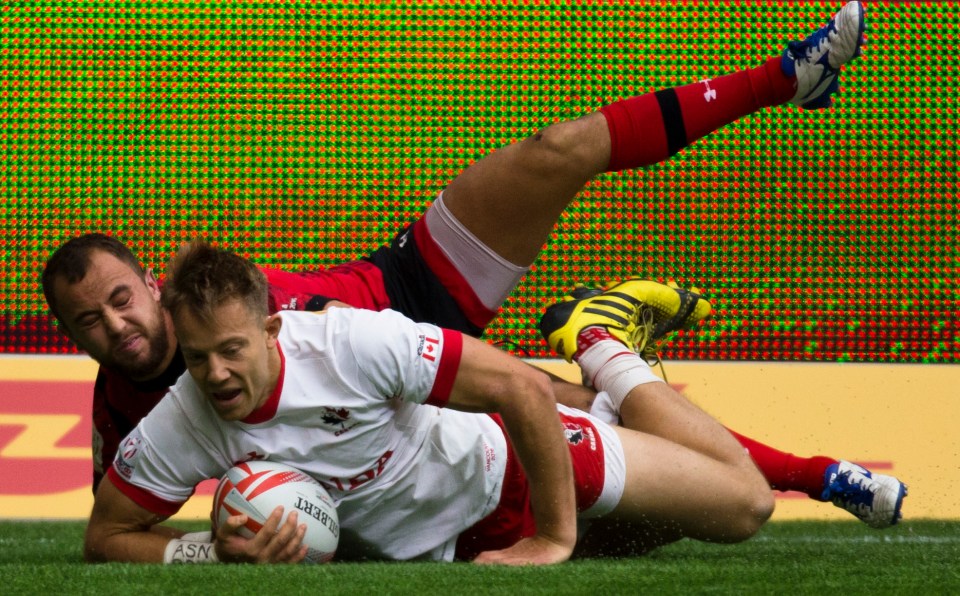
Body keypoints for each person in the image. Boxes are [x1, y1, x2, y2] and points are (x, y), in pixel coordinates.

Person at [42, 1, 902, 531]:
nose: (115, 326)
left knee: (555, 150)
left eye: (120, 298)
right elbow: (119, 529)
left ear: (152, 284)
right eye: (88, 322)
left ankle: (785, 79)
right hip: (410, 404)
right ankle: (823, 477)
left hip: (410, 291)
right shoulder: (128, 414)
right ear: (73, 339)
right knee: (606, 423)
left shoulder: (217, 301)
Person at [85, 241, 778, 564]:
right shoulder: (184, 414)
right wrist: (213, 554)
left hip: (516, 468)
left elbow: (521, 388)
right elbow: (106, 537)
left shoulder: (352, 342)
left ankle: (601, 342)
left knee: (744, 508)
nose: (216, 375)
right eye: (199, 357)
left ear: (271, 331)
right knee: (654, 540)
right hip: (451, 551)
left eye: (231, 350)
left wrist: (553, 540)